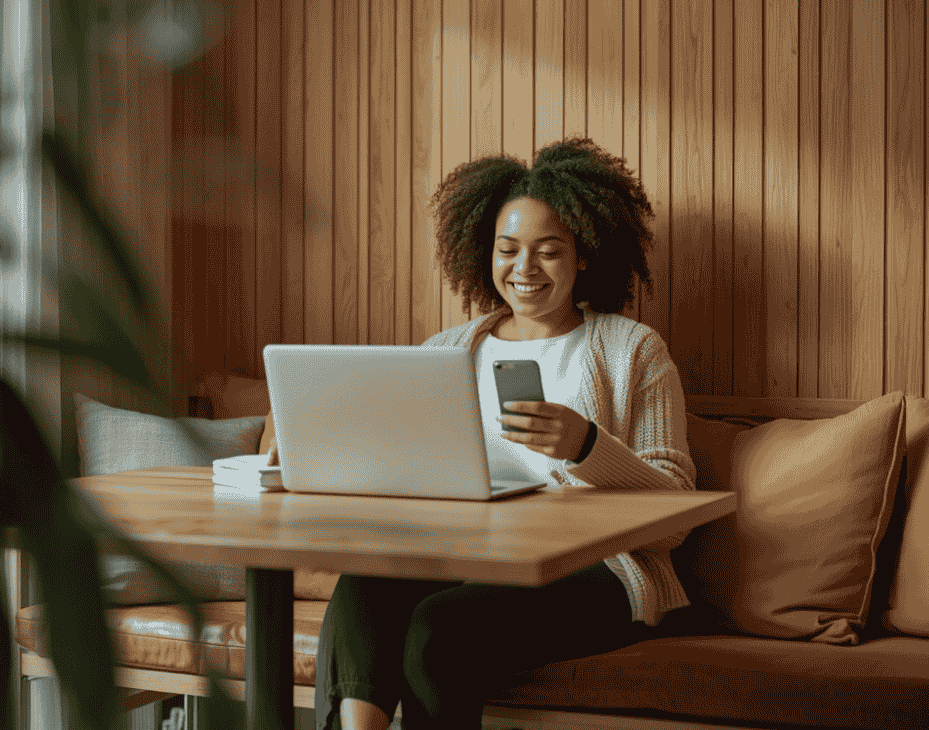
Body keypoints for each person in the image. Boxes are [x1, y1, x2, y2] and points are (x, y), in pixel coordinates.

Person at [268, 136, 697, 730]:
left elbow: (677, 511)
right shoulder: (446, 351)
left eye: (549, 250)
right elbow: (396, 469)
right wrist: (316, 448)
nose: (525, 269)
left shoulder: (631, 349)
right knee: (364, 584)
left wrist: (587, 447)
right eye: (508, 249)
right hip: (469, 557)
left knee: (441, 627)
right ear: (483, 253)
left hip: (604, 573)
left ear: (586, 255)